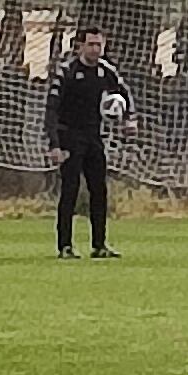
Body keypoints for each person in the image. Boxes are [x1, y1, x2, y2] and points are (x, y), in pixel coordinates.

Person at [45, 26, 134, 258]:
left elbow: (125, 94)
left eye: (99, 45)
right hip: (69, 137)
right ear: (80, 46)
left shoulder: (106, 71)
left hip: (94, 137)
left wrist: (128, 119)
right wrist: (54, 144)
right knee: (70, 191)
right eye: (91, 45)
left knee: (99, 191)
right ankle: (65, 246)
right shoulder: (67, 72)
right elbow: (51, 110)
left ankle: (99, 245)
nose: (96, 49)